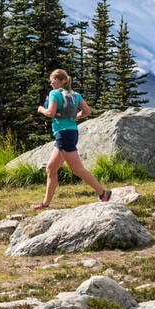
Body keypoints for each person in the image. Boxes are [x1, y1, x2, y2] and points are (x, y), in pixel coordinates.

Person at [32, 69, 111, 209]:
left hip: (63, 134)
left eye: (53, 80)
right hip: (71, 132)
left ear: (61, 80)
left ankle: (103, 193)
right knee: (51, 168)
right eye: (50, 80)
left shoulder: (54, 93)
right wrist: (75, 117)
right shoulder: (75, 95)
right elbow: (87, 111)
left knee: (77, 169)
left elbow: (50, 113)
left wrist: (40, 109)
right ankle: (45, 204)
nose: (51, 83)